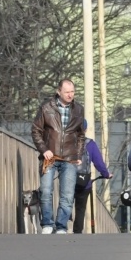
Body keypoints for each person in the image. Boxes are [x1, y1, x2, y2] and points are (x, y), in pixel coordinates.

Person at [31, 79, 86, 234]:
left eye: (72, 91)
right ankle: (47, 224)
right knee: (46, 190)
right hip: (49, 157)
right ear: (58, 92)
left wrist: (79, 153)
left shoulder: (78, 109)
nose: (70, 95)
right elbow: (36, 130)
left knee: (67, 194)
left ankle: (61, 226)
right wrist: (43, 149)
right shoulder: (46, 107)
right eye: (67, 92)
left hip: (69, 157)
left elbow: (81, 135)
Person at [72, 119, 112, 234]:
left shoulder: (66, 143)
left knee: (65, 203)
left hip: (68, 180)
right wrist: (106, 174)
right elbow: (98, 162)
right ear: (85, 129)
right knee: (80, 209)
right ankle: (77, 232)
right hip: (84, 182)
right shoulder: (90, 144)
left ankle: (62, 228)